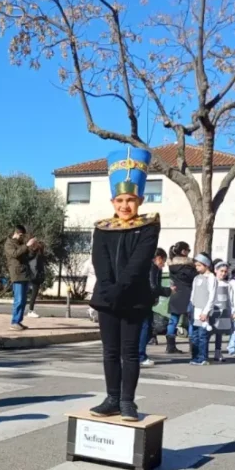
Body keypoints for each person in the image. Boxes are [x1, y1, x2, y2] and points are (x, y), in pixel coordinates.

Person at [88, 147, 161, 422]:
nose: (125, 206)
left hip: (133, 299)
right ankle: (112, 398)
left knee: (129, 353)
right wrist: (108, 289)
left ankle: (128, 401)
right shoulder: (103, 227)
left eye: (130, 200)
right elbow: (100, 261)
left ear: (140, 200)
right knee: (110, 351)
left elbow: (139, 264)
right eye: (120, 200)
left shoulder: (149, 227)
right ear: (112, 201)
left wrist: (119, 290)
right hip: (107, 298)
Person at [140, 248, 170, 367]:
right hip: (144, 301)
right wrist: (167, 291)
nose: (163, 264)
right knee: (146, 328)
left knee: (145, 328)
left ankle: (136, 354)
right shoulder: (153, 268)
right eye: (163, 261)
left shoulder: (145, 266)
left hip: (142, 300)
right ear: (158, 258)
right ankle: (140, 356)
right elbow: (153, 286)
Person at [4, 226, 37, 330]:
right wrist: (27, 246)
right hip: (17, 274)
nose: (22, 238)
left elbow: (27, 258)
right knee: (18, 300)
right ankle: (14, 322)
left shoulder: (20, 244)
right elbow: (15, 254)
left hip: (24, 274)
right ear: (16, 233)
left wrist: (33, 250)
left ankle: (18, 321)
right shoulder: (9, 244)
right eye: (21, 235)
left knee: (23, 300)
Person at [165, 242, 194, 354]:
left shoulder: (171, 266)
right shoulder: (188, 267)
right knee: (191, 321)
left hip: (175, 294)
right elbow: (194, 279)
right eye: (188, 250)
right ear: (183, 251)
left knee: (173, 321)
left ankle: (170, 346)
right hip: (188, 294)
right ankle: (193, 346)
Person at [189, 253, 217, 366]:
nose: (197, 268)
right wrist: (191, 306)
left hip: (203, 311)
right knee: (194, 335)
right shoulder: (196, 278)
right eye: (196, 265)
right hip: (195, 309)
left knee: (202, 335)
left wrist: (206, 312)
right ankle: (195, 357)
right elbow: (193, 293)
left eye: (199, 265)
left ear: (206, 265)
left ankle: (203, 358)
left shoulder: (211, 278)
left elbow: (212, 296)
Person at [210, 260, 233, 363]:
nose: (223, 273)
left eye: (225, 271)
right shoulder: (210, 282)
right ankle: (202, 352)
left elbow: (230, 298)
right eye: (221, 271)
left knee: (219, 333)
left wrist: (232, 310)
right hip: (211, 310)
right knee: (208, 332)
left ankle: (218, 351)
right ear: (216, 270)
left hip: (223, 311)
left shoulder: (228, 285)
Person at [27, 240, 46, 318]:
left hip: (32, 276)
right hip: (35, 277)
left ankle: (30, 310)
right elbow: (35, 266)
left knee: (33, 294)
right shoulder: (38, 256)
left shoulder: (33, 254)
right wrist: (38, 275)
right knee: (34, 294)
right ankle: (30, 311)